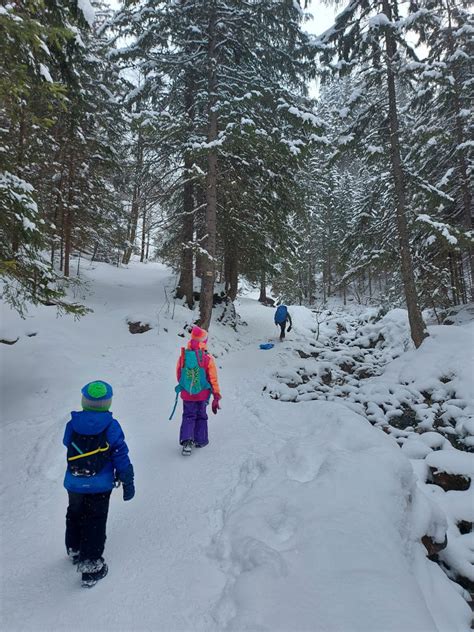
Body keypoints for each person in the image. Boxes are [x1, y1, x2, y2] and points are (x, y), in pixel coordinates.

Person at [63, 380, 135, 588]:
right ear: (108, 403)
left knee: (74, 512)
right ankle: (91, 565)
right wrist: (127, 480)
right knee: (95, 519)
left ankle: (74, 548)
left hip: (74, 482)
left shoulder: (72, 424)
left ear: (84, 400)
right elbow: (120, 454)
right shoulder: (111, 426)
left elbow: (67, 442)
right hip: (100, 484)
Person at [175, 326, 221, 456]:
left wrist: (185, 387)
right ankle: (200, 440)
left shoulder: (184, 356)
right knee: (201, 415)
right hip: (202, 395)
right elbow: (213, 378)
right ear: (204, 342)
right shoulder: (207, 358)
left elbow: (179, 374)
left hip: (187, 394)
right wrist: (216, 394)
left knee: (188, 415)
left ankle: (187, 441)